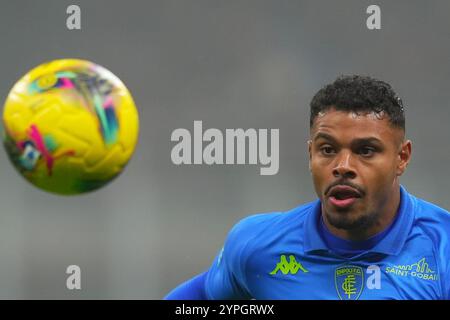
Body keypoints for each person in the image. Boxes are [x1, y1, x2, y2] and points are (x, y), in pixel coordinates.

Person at [164, 75, 450, 300]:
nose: (343, 165)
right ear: (310, 154)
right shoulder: (257, 248)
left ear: (402, 157)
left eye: (365, 150)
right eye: (327, 149)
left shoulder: (442, 249)